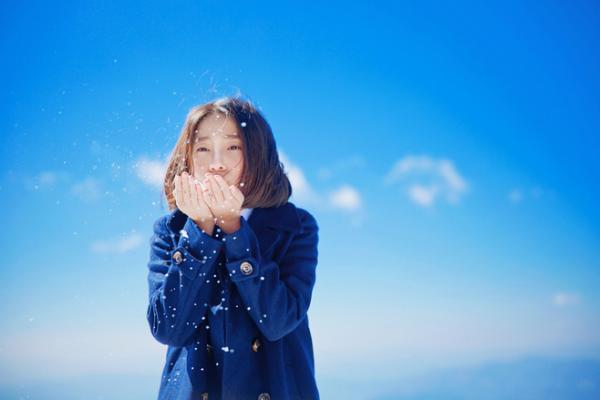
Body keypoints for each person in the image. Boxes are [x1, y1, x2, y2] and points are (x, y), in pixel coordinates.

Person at [146, 96, 320, 399]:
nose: (216, 163)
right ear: (186, 158)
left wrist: (234, 230)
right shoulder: (171, 231)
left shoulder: (296, 226)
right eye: (202, 148)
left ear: (258, 153)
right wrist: (199, 232)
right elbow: (169, 328)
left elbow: (277, 320)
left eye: (232, 146)